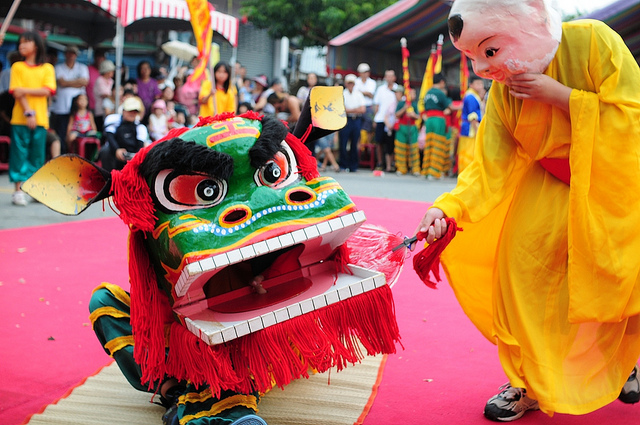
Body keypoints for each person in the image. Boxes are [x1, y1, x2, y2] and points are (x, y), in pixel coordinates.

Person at [414, 0, 640, 421]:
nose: (483, 69)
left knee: (613, 277)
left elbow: (633, 116)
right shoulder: (503, 88)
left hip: (614, 187)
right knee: (520, 275)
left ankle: (622, 360)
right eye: (472, 58)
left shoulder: (593, 40)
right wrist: (446, 207)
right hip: (548, 183)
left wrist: (563, 97)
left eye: (490, 52)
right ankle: (527, 383)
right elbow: (489, 164)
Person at [8, 31, 56, 206]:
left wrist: (25, 90)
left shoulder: (47, 68)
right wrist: (29, 112)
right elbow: (16, 93)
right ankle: (18, 190)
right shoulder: (17, 67)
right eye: (20, 42)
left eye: (26, 42)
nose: (22, 45)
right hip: (20, 118)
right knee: (19, 154)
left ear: (36, 45)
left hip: (41, 119)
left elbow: (48, 90)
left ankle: (34, 189)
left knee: (37, 155)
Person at [50, 45, 89, 150]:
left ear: (76, 55)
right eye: (69, 53)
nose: (71, 55)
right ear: (65, 54)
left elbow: (84, 82)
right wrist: (77, 82)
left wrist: (68, 83)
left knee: (77, 133)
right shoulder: (58, 67)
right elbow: (61, 83)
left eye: (73, 53)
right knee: (61, 133)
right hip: (61, 107)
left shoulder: (82, 67)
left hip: (78, 108)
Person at [99, 97, 149, 172]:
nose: (132, 113)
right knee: (105, 150)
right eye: (130, 110)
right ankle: (108, 178)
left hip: (132, 157)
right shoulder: (113, 120)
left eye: (134, 111)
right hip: (115, 154)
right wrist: (117, 150)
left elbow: (140, 146)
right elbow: (109, 137)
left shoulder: (140, 127)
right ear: (123, 110)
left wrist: (133, 157)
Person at [420, 74, 453, 179]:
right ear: (442, 82)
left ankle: (426, 170)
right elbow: (450, 106)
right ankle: (434, 172)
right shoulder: (440, 93)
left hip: (429, 120)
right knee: (438, 145)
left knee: (429, 144)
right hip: (438, 120)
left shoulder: (427, 92)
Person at [457, 76, 486, 173]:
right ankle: (467, 172)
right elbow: (472, 115)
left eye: (481, 84)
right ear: (471, 85)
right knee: (470, 150)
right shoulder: (471, 96)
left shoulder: (473, 95)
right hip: (470, 128)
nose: (480, 86)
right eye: (478, 84)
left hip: (469, 127)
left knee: (468, 150)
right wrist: (477, 129)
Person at [338, 74, 366, 172]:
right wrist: (355, 109)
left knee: (355, 143)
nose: (350, 85)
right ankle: (343, 165)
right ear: (346, 83)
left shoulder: (358, 94)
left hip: (356, 120)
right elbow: (340, 109)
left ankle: (353, 166)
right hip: (345, 120)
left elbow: (363, 109)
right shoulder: (342, 93)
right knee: (343, 143)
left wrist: (349, 110)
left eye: (352, 83)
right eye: (349, 83)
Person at [372, 69, 398, 172]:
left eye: (391, 76)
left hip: (392, 121)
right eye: (387, 76)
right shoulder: (381, 89)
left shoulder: (398, 89)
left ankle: (391, 163)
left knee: (391, 143)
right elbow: (377, 105)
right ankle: (380, 163)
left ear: (394, 78)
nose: (389, 78)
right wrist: (375, 118)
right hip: (380, 119)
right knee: (379, 142)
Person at [393, 87, 420, 176]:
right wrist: (404, 108)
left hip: (412, 128)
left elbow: (418, 117)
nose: (414, 96)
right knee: (401, 149)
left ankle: (415, 169)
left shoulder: (415, 105)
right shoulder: (401, 104)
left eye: (414, 94)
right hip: (402, 128)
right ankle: (401, 168)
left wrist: (413, 115)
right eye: (412, 93)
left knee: (413, 149)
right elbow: (396, 115)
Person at [354, 63, 377, 145]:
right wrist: (365, 93)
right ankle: (358, 148)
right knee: (357, 130)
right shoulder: (355, 81)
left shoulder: (372, 82)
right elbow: (355, 94)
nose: (365, 74)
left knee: (368, 129)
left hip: (368, 108)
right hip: (357, 108)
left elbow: (371, 95)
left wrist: (360, 92)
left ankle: (365, 148)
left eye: (366, 72)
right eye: (363, 72)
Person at [93, 59, 115, 132]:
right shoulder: (100, 80)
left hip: (111, 110)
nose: (113, 72)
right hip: (100, 111)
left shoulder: (111, 81)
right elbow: (105, 94)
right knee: (101, 129)